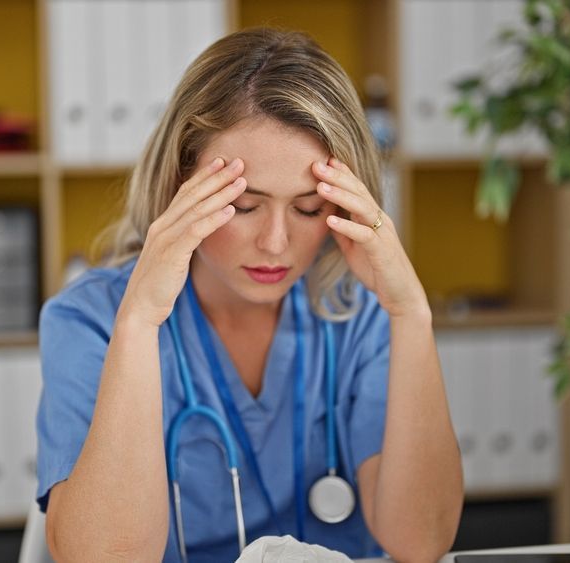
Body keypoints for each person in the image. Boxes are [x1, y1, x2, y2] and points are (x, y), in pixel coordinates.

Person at [36, 27, 463, 562]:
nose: (276, 243)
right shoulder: (90, 320)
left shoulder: (360, 312)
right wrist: (140, 321)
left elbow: (420, 543)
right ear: (178, 183)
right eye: (244, 206)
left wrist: (411, 313)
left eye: (309, 208)